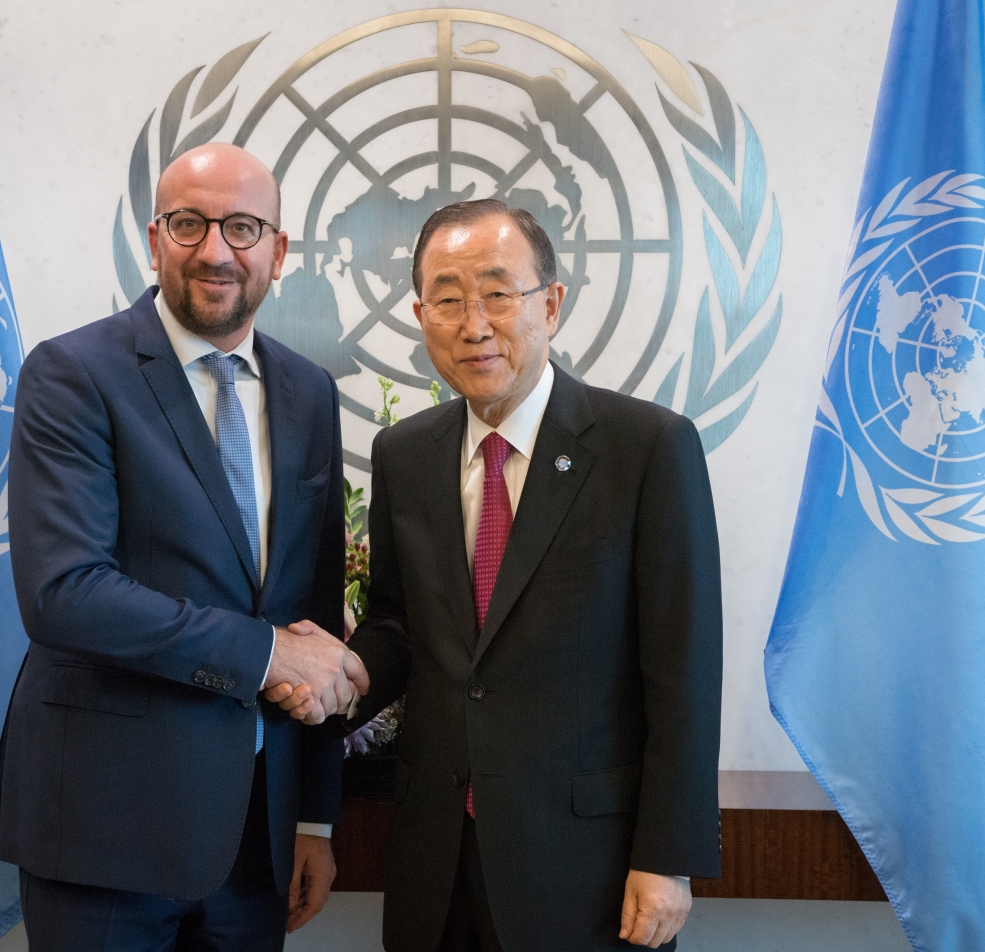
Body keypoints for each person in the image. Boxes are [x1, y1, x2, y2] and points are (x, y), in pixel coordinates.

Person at [271, 198, 723, 950]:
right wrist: (336, 674)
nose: (473, 324)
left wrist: (668, 858)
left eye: (497, 293)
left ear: (551, 302)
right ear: (421, 316)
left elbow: (683, 669)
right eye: (447, 299)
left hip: (589, 865)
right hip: (435, 856)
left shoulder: (647, 448)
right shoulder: (405, 454)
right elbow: (399, 625)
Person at [0, 143, 367, 952]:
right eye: (190, 224)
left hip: (257, 836)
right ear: (155, 240)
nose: (216, 250)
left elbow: (315, 614)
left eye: (243, 227)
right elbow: (64, 594)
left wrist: (314, 816)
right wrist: (266, 655)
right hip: (104, 829)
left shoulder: (308, 394)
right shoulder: (71, 373)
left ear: (279, 252)